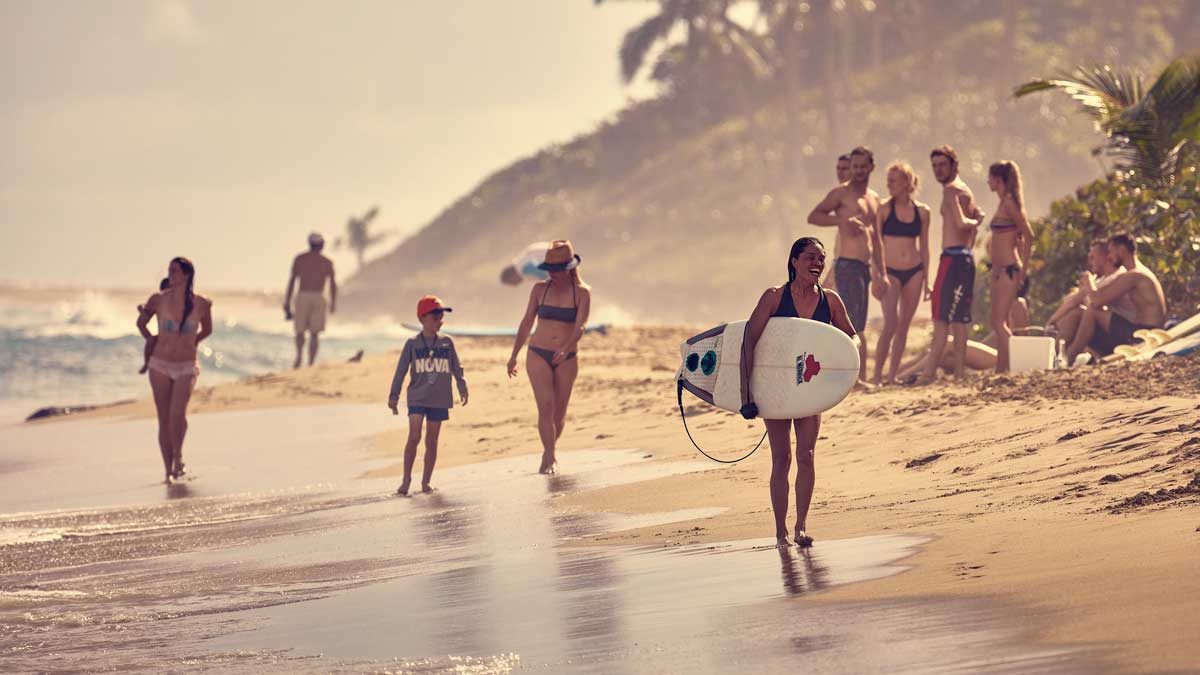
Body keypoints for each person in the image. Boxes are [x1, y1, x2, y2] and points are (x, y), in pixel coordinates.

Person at [741, 237, 858, 549]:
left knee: (806, 456)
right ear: (794, 261)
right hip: (776, 389)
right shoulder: (775, 298)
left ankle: (801, 527)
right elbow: (748, 342)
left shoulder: (830, 301)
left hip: (810, 389)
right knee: (782, 458)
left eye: (821, 259)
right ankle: (780, 532)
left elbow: (850, 341)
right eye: (810, 258)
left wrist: (841, 376)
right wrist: (746, 395)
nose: (817, 264)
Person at [507, 240, 592, 474]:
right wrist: (514, 354)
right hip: (538, 353)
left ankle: (548, 452)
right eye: (550, 270)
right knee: (545, 406)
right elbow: (526, 323)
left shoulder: (582, 292)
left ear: (568, 268)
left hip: (567, 356)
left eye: (556, 270)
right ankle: (552, 458)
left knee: (559, 414)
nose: (552, 274)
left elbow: (580, 326)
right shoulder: (539, 290)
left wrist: (566, 347)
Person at [808, 147, 887, 385]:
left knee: (859, 322)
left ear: (871, 167)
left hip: (864, 267)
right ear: (850, 167)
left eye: (863, 166)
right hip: (847, 264)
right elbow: (814, 216)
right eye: (855, 166)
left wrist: (881, 272)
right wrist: (842, 220)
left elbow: (878, 239)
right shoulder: (842, 193)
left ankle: (858, 377)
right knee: (851, 323)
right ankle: (851, 378)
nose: (859, 171)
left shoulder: (874, 198)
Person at [135, 257, 213, 484]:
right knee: (164, 419)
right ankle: (167, 470)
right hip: (160, 364)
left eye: (176, 271)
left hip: (187, 365)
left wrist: (193, 341)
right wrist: (152, 341)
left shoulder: (202, 303)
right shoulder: (158, 300)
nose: (171, 274)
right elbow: (141, 323)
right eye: (170, 270)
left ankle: (178, 456)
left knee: (177, 414)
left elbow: (207, 329)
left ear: (187, 275)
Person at [388, 296, 469, 496]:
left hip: (440, 398)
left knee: (432, 440)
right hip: (417, 397)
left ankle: (426, 482)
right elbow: (401, 371)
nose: (440, 321)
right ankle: (406, 480)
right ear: (422, 318)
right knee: (414, 436)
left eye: (441, 317)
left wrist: (462, 386)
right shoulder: (412, 344)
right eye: (435, 317)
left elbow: (456, 367)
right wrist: (394, 395)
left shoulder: (447, 342)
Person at [917, 145, 985, 384]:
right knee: (959, 318)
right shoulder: (966, 190)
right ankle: (958, 374)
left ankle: (927, 374)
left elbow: (962, 223)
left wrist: (974, 222)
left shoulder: (950, 191)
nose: (938, 170)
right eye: (934, 166)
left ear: (954, 165)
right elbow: (972, 224)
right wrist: (977, 221)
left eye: (942, 165)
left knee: (941, 318)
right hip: (965, 258)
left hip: (952, 258)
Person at [1065, 233, 1166, 362]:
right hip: (1137, 330)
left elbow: (1096, 301)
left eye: (1111, 252)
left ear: (1122, 250)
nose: (1110, 257)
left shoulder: (1135, 275)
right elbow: (1102, 294)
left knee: (1092, 311)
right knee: (1079, 313)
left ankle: (1069, 358)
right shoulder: (1132, 274)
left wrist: (1089, 281)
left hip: (1145, 335)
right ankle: (1066, 354)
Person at [872, 161, 930, 384]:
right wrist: (877, 274)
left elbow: (924, 247)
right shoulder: (884, 209)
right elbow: (875, 244)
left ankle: (892, 376)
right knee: (891, 323)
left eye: (893, 181)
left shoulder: (923, 212)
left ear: (907, 182)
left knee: (904, 324)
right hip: (891, 272)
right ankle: (877, 376)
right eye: (888, 181)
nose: (889, 185)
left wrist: (927, 280)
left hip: (914, 271)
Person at [984, 161, 1035, 373]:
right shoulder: (1002, 203)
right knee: (1000, 321)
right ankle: (1001, 370)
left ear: (998, 179)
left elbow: (1028, 234)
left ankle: (1019, 366)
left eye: (990, 177)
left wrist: (1023, 269)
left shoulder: (1009, 203)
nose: (987, 182)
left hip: (1009, 269)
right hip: (998, 271)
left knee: (998, 323)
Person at [1044, 239, 1129, 347]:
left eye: (1093, 257)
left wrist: (1051, 321)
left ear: (1105, 257)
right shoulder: (1101, 279)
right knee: (1073, 313)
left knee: (1077, 313)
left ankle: (1056, 354)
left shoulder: (1118, 276)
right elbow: (1070, 300)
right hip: (1104, 327)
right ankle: (1055, 352)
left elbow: (1076, 301)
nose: (1090, 262)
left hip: (1118, 330)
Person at [284, 232, 337, 368]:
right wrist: (333, 302)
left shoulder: (300, 259)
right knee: (314, 333)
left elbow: (292, 281)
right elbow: (332, 284)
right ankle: (311, 362)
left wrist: (287, 301)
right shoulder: (327, 262)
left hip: (302, 296)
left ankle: (299, 356)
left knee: (299, 331)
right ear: (321, 245)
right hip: (318, 297)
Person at [137, 277, 171, 374]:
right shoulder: (159, 301)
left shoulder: (182, 302)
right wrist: (142, 311)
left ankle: (147, 363)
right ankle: (146, 363)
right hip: (163, 336)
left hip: (177, 339)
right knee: (151, 340)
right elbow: (141, 323)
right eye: (166, 290)